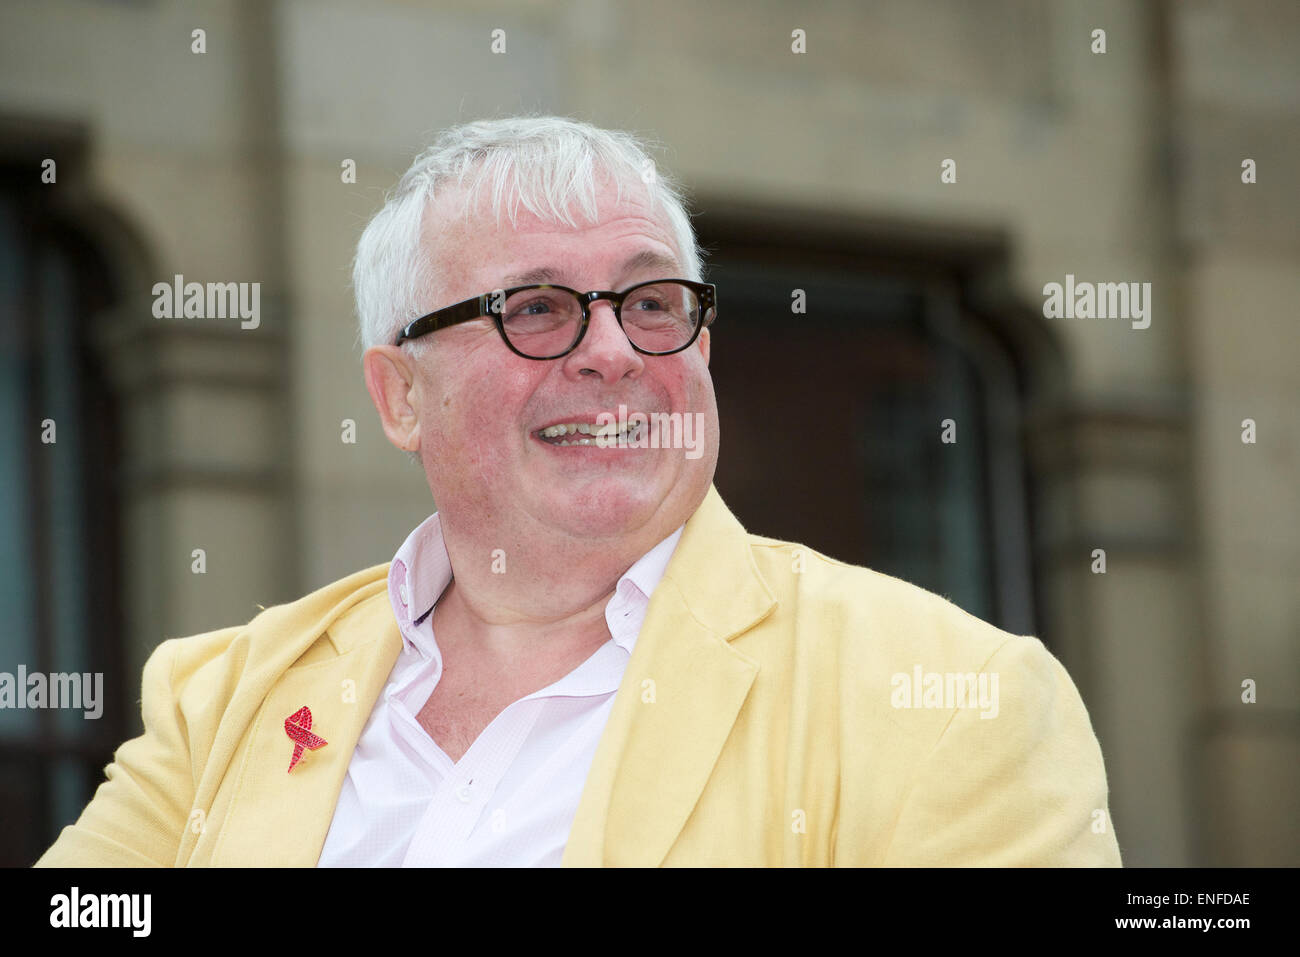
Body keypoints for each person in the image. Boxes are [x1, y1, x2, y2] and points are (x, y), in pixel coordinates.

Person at [37, 116, 1121, 867]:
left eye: (652, 303)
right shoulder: (221, 700)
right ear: (400, 392)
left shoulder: (955, 697)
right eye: (538, 310)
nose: (612, 352)